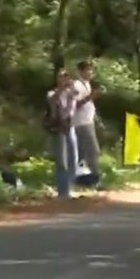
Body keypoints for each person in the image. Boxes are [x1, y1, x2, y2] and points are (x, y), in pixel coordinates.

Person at [45, 69, 78, 199]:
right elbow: (52, 101)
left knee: (73, 158)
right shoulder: (52, 93)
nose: (64, 79)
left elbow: (74, 99)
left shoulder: (71, 93)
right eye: (61, 77)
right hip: (58, 127)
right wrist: (61, 89)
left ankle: (69, 186)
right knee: (61, 160)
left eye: (66, 77)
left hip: (70, 126)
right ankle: (62, 191)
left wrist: (70, 88)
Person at [71, 60, 102, 187]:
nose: (90, 72)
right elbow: (75, 105)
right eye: (87, 70)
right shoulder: (77, 85)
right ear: (81, 71)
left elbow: (89, 105)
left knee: (82, 152)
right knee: (93, 150)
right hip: (82, 123)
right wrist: (90, 97)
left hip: (88, 120)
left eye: (91, 70)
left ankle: (82, 180)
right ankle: (96, 179)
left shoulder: (87, 84)